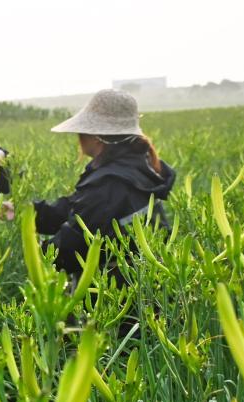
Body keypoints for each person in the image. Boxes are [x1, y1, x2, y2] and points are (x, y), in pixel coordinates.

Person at [34, 89, 176, 287]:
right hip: (146, 286)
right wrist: (29, 213)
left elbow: (74, 245)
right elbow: (80, 209)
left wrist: (36, 252)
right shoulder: (138, 166)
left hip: (116, 293)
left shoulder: (110, 182)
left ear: (96, 136)